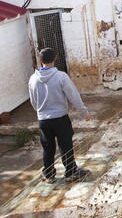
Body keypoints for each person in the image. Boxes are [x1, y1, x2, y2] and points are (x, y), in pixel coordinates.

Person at [28, 48, 91, 183]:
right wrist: (83, 111)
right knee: (65, 144)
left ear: (40, 60)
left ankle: (49, 174)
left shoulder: (33, 79)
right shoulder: (61, 76)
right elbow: (73, 95)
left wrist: (41, 112)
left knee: (47, 147)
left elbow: (33, 100)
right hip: (60, 118)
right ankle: (71, 172)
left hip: (43, 119)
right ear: (55, 58)